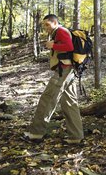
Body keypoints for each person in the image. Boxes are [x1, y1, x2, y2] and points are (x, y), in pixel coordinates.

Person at [24, 14, 84, 144]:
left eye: (47, 24)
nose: (46, 27)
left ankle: (36, 133)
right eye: (44, 25)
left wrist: (53, 46)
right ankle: (76, 136)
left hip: (64, 70)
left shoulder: (61, 31)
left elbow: (69, 47)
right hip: (69, 70)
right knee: (70, 103)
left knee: (48, 98)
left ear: (55, 22)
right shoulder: (59, 32)